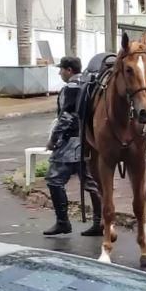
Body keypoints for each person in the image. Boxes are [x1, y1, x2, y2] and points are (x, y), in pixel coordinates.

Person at [43, 56, 103, 237]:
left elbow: (67, 117)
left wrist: (53, 139)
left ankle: (63, 222)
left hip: (70, 143)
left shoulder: (71, 87)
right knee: (91, 183)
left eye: (61, 69)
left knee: (54, 179)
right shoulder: (89, 84)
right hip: (88, 141)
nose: (60, 73)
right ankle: (99, 222)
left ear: (69, 70)